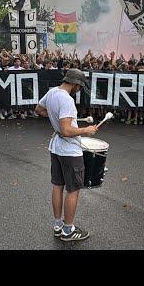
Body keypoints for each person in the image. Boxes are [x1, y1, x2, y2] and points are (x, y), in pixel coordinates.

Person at [34, 68, 97, 241]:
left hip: (55, 149)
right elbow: (66, 130)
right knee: (73, 190)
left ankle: (58, 225)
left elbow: (38, 109)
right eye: (79, 86)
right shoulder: (67, 100)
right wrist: (87, 130)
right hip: (69, 151)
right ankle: (68, 231)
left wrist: (54, 119)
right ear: (76, 84)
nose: (78, 90)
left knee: (57, 186)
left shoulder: (52, 92)